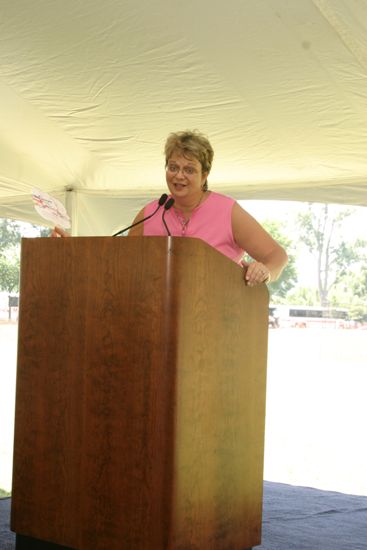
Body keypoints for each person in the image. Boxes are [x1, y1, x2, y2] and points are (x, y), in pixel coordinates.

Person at [52, 130, 287, 286]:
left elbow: (277, 256)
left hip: (215, 324)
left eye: (189, 169)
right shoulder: (150, 213)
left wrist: (264, 271)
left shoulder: (228, 211)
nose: (179, 176)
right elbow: (117, 265)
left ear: (205, 175)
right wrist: (72, 248)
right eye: (173, 167)